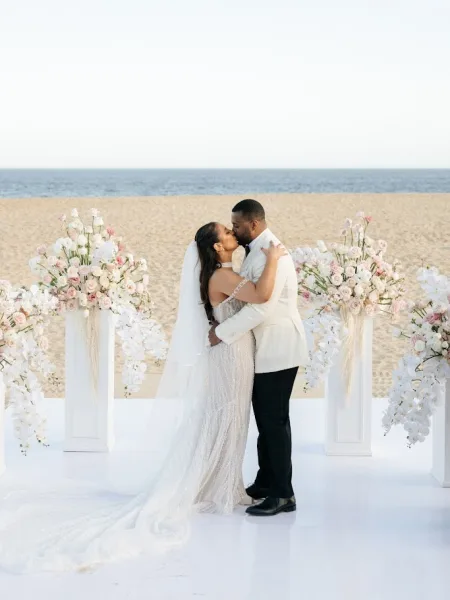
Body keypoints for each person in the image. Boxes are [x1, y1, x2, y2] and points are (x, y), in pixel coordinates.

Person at [0, 221, 285, 573]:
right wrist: (273, 258)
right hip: (230, 355)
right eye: (226, 232)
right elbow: (261, 295)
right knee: (228, 416)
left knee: (230, 416)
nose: (232, 234)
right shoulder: (223, 277)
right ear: (217, 248)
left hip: (231, 350)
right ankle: (220, 488)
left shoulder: (225, 273)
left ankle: (223, 483)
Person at [209, 199, 309, 517]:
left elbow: (261, 307)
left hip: (279, 347)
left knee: (273, 422)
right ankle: (266, 482)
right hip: (264, 348)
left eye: (236, 224)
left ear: (253, 223)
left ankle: (283, 494)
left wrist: (222, 332)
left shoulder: (272, 252)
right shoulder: (259, 249)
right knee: (267, 420)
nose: (233, 230)